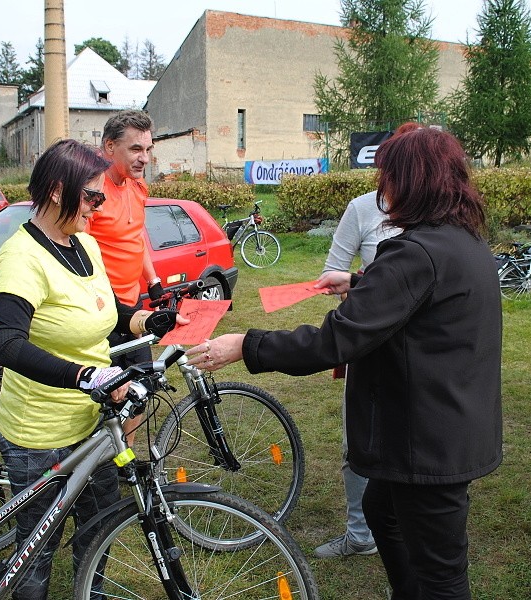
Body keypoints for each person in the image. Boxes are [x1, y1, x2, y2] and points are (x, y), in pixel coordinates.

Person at [186, 127, 503, 599]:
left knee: (442, 573)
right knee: (382, 511)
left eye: (388, 177)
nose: (383, 191)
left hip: (428, 440)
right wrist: (360, 283)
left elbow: (333, 342)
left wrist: (246, 345)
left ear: (411, 181)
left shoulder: (416, 253)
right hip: (447, 423)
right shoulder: (462, 241)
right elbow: (422, 298)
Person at [0, 139, 181, 599]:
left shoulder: (85, 244)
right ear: (58, 190)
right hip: (40, 432)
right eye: (93, 196)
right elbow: (7, 344)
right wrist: (85, 376)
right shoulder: (20, 258)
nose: (100, 206)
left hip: (94, 423)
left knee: (98, 531)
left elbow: (106, 312)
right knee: (36, 552)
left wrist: (145, 320)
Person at [314, 121, 421, 560]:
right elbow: (332, 271)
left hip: (423, 352)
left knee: (416, 444)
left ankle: (413, 530)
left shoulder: (437, 213)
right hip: (370, 346)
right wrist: (354, 285)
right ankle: (361, 535)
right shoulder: (362, 209)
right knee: (359, 442)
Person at [86, 109, 162, 369]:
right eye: (136, 149)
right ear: (110, 146)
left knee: (144, 383)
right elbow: (80, 257)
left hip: (134, 302)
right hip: (103, 310)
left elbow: (136, 236)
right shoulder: (93, 192)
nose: (145, 158)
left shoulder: (138, 186)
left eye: (148, 149)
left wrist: (153, 282)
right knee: (111, 390)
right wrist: (120, 312)